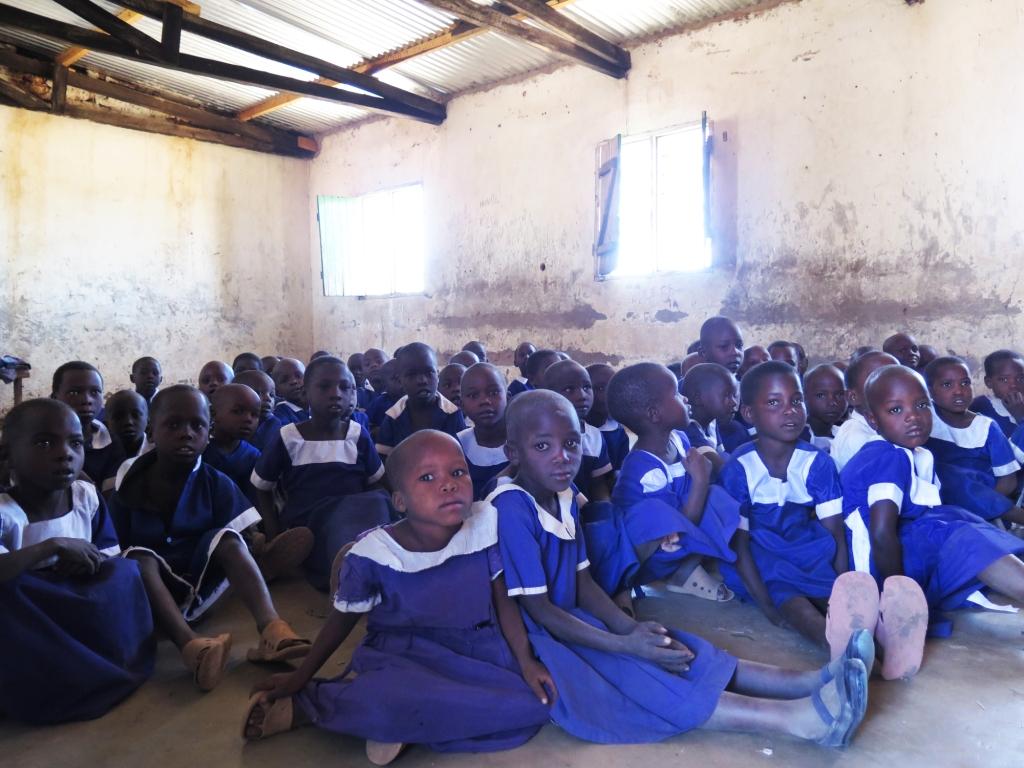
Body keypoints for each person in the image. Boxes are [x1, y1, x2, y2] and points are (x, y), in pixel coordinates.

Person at [490, 390, 870, 748]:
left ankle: (814, 680)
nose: (562, 457)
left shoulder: (564, 495)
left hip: (575, 619)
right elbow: (539, 609)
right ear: (514, 452)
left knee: (677, 648)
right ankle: (795, 720)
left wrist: (632, 629)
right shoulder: (512, 507)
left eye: (571, 444)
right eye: (543, 446)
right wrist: (624, 643)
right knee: (644, 677)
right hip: (541, 637)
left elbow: (584, 583)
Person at [242, 431, 552, 762]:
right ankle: (309, 706)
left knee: (538, 701)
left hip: (479, 649)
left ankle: (398, 725)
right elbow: (338, 625)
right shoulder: (373, 555)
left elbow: (503, 601)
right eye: (427, 477)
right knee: (392, 695)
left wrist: (525, 660)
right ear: (400, 501)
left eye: (458, 472)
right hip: (407, 654)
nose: (447, 484)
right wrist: (299, 678)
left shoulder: (484, 525)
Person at [109, 385, 310, 692]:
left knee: (228, 538)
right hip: (150, 597)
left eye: (197, 425)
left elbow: (239, 536)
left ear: (209, 430)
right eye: (173, 425)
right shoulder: (132, 482)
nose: (186, 433)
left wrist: (255, 543)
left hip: (203, 588)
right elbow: (115, 548)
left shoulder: (216, 482)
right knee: (138, 557)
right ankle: (193, 648)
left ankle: (272, 629)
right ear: (151, 429)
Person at [0, 399, 155, 724]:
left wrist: (89, 561)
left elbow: (107, 550)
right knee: (9, 595)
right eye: (44, 443)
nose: (64, 453)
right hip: (32, 617)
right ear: (8, 455)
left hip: (78, 597)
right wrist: (52, 548)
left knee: (126, 571)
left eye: (75, 443)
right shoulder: (5, 512)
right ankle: (51, 686)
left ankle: (106, 669)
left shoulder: (85, 496)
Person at [840, 366, 1024, 627]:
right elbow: (881, 533)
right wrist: (897, 598)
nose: (913, 417)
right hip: (876, 569)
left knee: (956, 517)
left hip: (896, 553)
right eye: (896, 410)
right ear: (872, 420)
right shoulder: (887, 456)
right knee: (960, 534)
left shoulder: (915, 454)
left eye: (922, 405)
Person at [716, 362, 850, 649]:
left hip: (805, 544)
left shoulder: (817, 463)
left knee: (831, 595)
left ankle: (879, 648)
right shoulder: (739, 467)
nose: (790, 410)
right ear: (749, 413)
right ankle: (840, 653)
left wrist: (841, 587)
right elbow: (740, 546)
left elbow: (835, 533)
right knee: (791, 598)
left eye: (797, 400)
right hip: (759, 552)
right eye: (775, 402)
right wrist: (766, 604)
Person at [596, 364, 738, 605]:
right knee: (658, 511)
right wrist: (701, 479)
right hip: (646, 552)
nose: (684, 397)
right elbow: (680, 522)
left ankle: (686, 568)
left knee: (718, 495)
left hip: (678, 530)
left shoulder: (680, 439)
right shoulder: (643, 468)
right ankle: (678, 570)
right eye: (675, 394)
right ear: (654, 414)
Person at [253, 357, 388, 590]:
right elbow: (261, 486)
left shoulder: (358, 434)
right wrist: (274, 533)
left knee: (378, 502)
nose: (336, 393)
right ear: (306, 393)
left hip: (354, 515)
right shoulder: (288, 437)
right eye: (324, 387)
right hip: (310, 522)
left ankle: (360, 565)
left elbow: (377, 482)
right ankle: (347, 571)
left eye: (345, 387)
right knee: (336, 538)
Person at [923, 356, 1024, 525]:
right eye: (947, 385)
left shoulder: (986, 427)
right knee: (945, 472)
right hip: (940, 495)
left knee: (959, 478)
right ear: (930, 390)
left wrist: (983, 503)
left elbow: (1008, 479)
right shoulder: (924, 418)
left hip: (982, 492)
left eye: (965, 383)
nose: (959, 391)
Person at [376, 343, 467, 458]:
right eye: (411, 375)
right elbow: (384, 458)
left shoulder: (452, 414)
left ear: (437, 375)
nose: (422, 380)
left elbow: (461, 457)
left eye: (429, 372)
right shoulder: (393, 417)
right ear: (400, 380)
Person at [542, 361, 613, 503]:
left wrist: (603, 511)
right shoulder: (541, 437)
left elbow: (598, 484)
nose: (582, 395)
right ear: (548, 394)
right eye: (569, 389)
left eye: (587, 387)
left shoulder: (594, 436)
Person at [52, 361, 124, 494]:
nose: (86, 399)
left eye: (95, 392)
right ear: (55, 396)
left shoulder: (111, 442)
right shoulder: (41, 440)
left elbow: (110, 496)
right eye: (74, 392)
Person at [830, 352, 898, 471]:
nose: (893, 387)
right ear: (853, 397)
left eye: (898, 379)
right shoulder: (858, 439)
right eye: (879, 380)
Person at [457, 363, 510, 500]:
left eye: (493, 393)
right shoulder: (457, 446)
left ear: (508, 397)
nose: (484, 401)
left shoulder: (526, 442)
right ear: (462, 405)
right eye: (473, 395)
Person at [680, 363, 750, 466]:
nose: (734, 402)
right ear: (697, 398)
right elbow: (720, 467)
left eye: (734, 395)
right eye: (726, 395)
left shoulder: (711, 422)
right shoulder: (687, 428)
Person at [203, 384, 262, 504]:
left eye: (254, 414)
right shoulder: (201, 452)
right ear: (213, 414)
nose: (248, 419)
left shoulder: (253, 456)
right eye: (238, 411)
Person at [586, 363, 630, 471]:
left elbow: (620, 470)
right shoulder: (579, 433)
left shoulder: (617, 430)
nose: (610, 393)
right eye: (601, 388)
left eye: (614, 387)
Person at [970, 349, 1024, 438]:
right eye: (1004, 379)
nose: (1013, 385)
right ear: (989, 382)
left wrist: (1020, 415)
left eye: (1020, 379)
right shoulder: (981, 406)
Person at [234, 369, 282, 452]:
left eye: (272, 395)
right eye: (258, 393)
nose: (268, 398)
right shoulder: (233, 422)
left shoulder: (274, 424)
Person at [803, 364, 847, 452]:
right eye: (821, 395)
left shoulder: (846, 435)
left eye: (839, 395)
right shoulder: (800, 439)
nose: (832, 402)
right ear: (804, 397)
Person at [105, 389, 150, 458]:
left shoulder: (159, 452)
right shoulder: (99, 455)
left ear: (147, 419)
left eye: (136, 415)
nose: (128, 422)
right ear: (107, 422)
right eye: (119, 416)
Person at [272, 357, 309, 426]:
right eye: (284, 380)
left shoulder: (317, 405)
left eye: (298, 376)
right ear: (277, 391)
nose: (294, 381)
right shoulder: (280, 415)